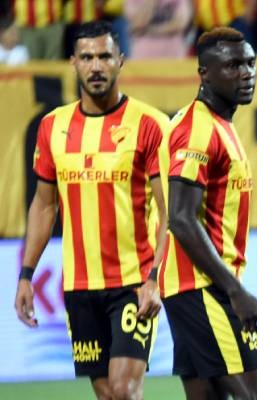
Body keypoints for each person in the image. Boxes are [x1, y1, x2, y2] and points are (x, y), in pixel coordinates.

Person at [14, 20, 168, 400]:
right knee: (107, 395)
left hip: (132, 282)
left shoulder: (150, 124)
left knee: (124, 390)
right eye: (86, 58)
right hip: (79, 287)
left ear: (121, 61)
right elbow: (44, 204)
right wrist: (26, 274)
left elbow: (169, 213)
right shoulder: (53, 127)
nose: (95, 66)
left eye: (104, 56)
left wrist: (155, 277)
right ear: (73, 63)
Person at [158, 27, 257, 400]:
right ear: (204, 74)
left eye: (250, 63)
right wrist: (236, 291)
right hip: (202, 287)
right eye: (233, 65)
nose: (246, 73)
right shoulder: (197, 128)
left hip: (197, 285)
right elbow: (181, 217)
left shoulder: (220, 124)